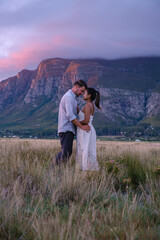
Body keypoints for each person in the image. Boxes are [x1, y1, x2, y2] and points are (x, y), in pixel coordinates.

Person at [55, 80, 90, 165]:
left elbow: (72, 114)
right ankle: (60, 172)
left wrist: (77, 111)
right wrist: (81, 126)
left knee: (65, 151)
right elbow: (70, 116)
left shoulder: (72, 98)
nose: (82, 93)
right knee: (67, 153)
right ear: (76, 87)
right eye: (81, 91)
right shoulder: (69, 97)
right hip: (66, 129)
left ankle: (54, 170)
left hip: (68, 129)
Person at [76, 88, 101, 171]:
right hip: (89, 130)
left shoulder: (87, 105)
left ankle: (85, 169)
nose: (83, 94)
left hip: (85, 131)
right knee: (90, 150)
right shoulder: (91, 105)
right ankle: (91, 169)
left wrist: (76, 122)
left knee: (85, 150)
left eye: (85, 93)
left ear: (89, 95)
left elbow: (86, 120)